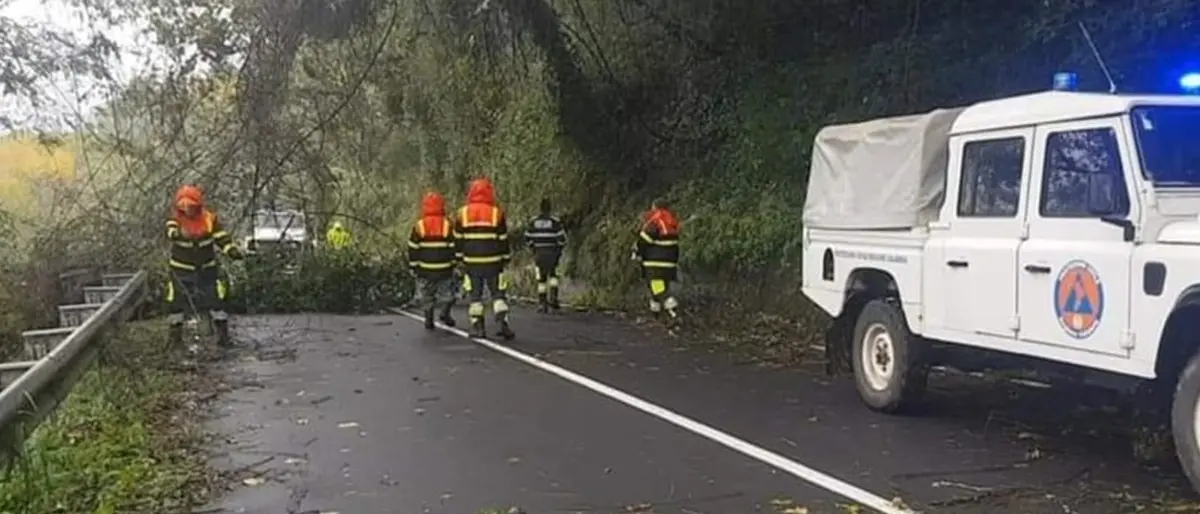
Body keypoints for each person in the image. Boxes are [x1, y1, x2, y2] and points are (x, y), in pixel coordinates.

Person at [165, 184, 244, 347]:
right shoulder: (175, 219)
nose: (188, 209)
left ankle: (223, 337)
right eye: (184, 206)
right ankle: (175, 339)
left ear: (197, 205)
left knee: (216, 302)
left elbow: (221, 238)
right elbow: (170, 232)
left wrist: (232, 251)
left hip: (207, 269)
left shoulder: (209, 219)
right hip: (181, 270)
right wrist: (179, 234)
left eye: (191, 206)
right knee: (176, 303)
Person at [453, 177, 515, 339]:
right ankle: (504, 324)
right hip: (494, 261)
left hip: (472, 262)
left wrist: (459, 259)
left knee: (475, 296)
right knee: (498, 294)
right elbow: (503, 239)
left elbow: (458, 239)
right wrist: (505, 258)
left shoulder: (462, 213)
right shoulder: (497, 213)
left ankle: (478, 327)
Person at [407, 191, 458, 329]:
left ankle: (429, 319)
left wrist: (413, 266)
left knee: (426, 295)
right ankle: (445, 314)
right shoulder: (447, 225)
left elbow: (413, 248)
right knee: (448, 295)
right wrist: (454, 264)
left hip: (424, 269)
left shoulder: (419, 226)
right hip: (444, 269)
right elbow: (453, 247)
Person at [634, 198, 680, 322]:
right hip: (669, 264)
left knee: (658, 288)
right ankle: (657, 314)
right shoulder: (671, 223)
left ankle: (672, 308)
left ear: (655, 207)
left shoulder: (654, 222)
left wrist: (637, 252)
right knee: (657, 288)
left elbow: (644, 241)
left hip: (654, 263)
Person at [523, 198, 567, 312]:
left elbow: (527, 237)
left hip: (539, 254)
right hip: (552, 254)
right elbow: (562, 239)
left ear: (540, 208)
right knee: (553, 277)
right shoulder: (555, 222)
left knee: (541, 280)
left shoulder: (533, 222)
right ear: (549, 208)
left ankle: (542, 304)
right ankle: (554, 300)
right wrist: (559, 250)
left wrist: (533, 248)